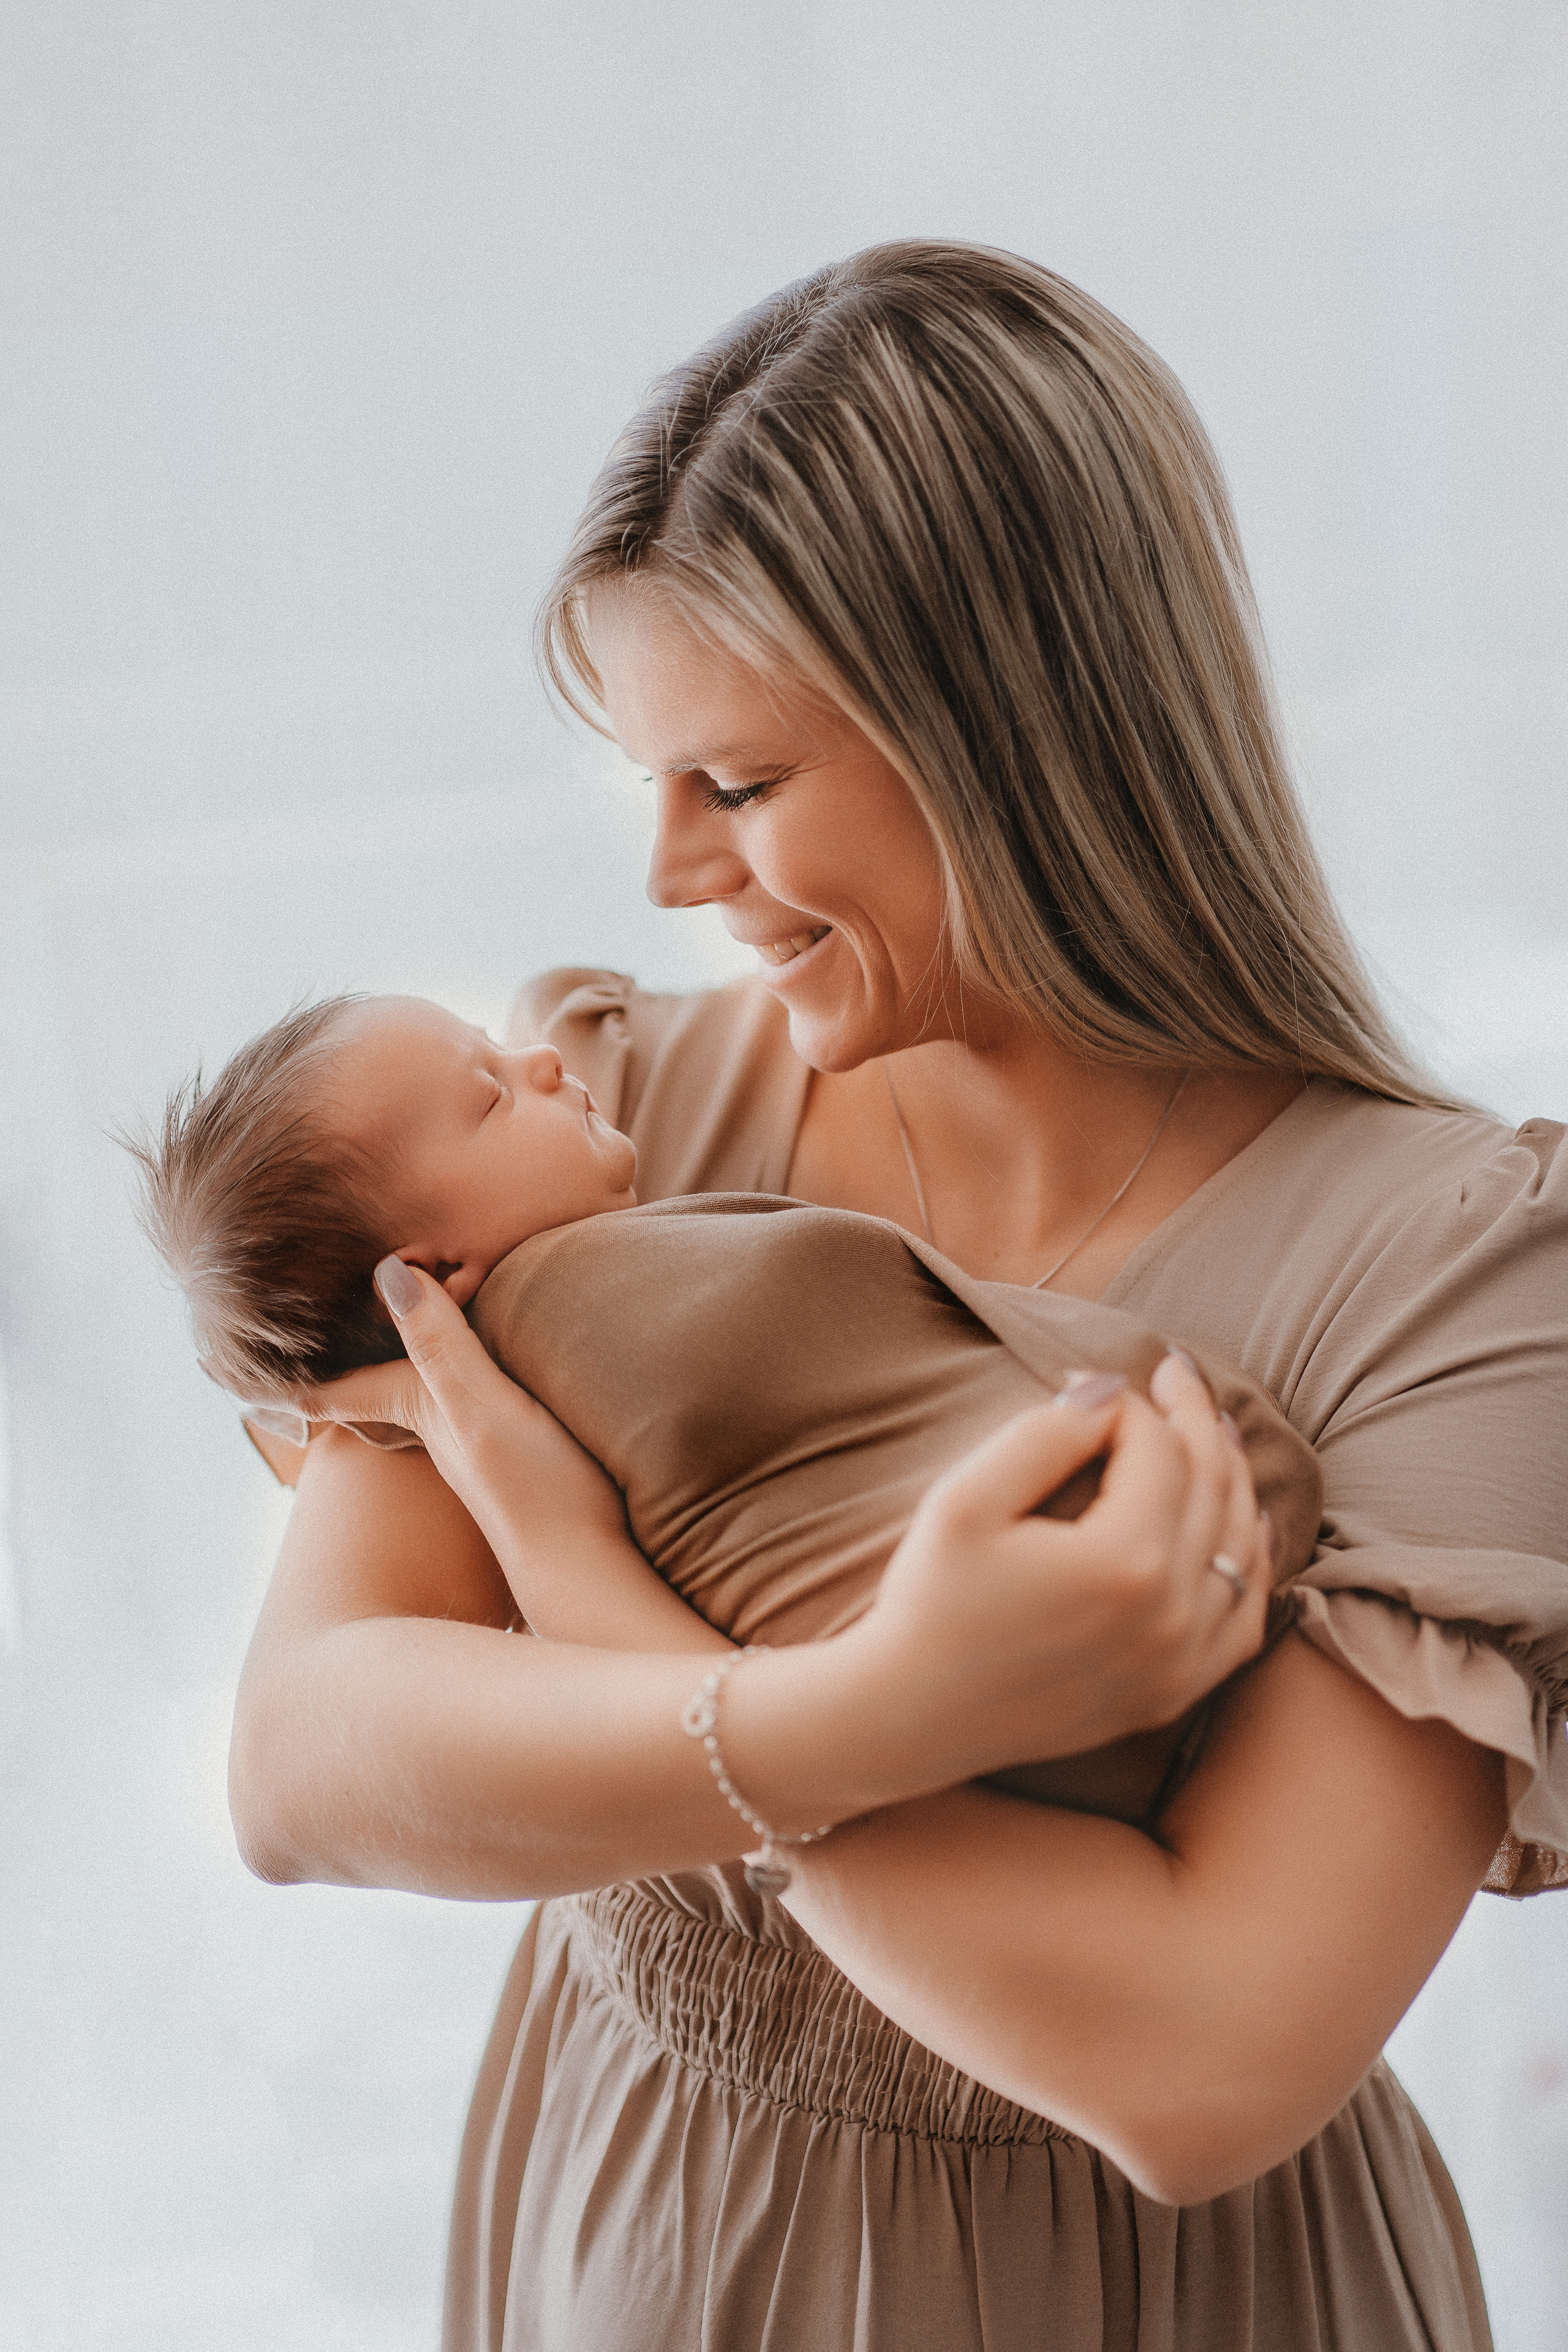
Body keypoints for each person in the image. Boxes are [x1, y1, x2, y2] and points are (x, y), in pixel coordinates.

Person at [228, 243, 1568, 2352]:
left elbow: (1203, 2064)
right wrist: (867, 1716)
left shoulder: (1461, 1277)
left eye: (739, 786)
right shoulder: (602, 1121)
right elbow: (302, 1765)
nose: (668, 870)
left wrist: (602, 1614)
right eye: (649, 779)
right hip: (636, 2212)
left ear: (1029, 748)